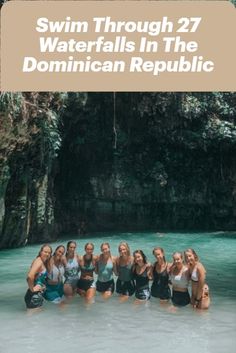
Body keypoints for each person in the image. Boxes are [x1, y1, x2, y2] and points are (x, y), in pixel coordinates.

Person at [24, 244, 52, 310]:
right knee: (31, 318)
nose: (47, 254)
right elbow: (29, 276)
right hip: (34, 296)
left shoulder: (42, 262)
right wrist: (32, 289)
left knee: (34, 318)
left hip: (35, 295)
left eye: (49, 253)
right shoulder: (38, 261)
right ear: (40, 252)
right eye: (45, 252)